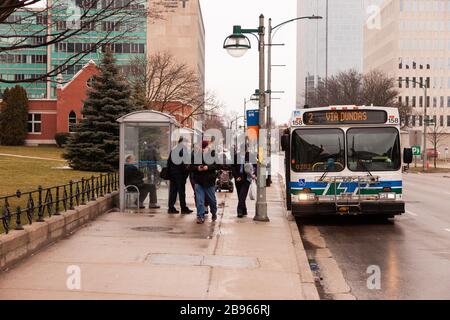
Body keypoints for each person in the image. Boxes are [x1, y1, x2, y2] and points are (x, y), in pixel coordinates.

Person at [190, 141, 219, 224]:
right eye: (201, 148)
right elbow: (190, 167)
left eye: (204, 148)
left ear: (208, 147)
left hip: (209, 182)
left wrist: (208, 167)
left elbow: (217, 165)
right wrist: (197, 168)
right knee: (200, 200)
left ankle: (214, 212)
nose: (203, 150)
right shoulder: (196, 155)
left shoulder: (213, 154)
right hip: (199, 181)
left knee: (212, 200)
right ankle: (200, 216)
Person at [167, 137, 193, 214]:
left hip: (173, 174)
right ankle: (183, 208)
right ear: (181, 142)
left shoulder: (173, 149)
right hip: (180, 174)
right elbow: (185, 164)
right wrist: (186, 174)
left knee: (173, 191)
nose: (187, 144)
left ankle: (171, 207)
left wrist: (170, 172)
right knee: (181, 192)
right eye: (186, 142)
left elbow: (169, 162)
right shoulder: (183, 150)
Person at [232, 150, 256, 218]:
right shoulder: (236, 156)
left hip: (247, 179)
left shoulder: (250, 156)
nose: (243, 153)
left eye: (244, 152)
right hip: (238, 178)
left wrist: (254, 174)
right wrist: (236, 177)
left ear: (246, 151)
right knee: (240, 196)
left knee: (242, 195)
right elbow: (233, 167)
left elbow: (256, 165)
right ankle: (244, 210)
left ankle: (239, 211)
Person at [142, 142, 161, 209]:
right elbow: (157, 158)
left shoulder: (146, 150)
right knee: (153, 182)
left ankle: (152, 181)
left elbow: (144, 158)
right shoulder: (154, 150)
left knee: (150, 177)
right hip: (153, 165)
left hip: (148, 166)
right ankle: (152, 203)